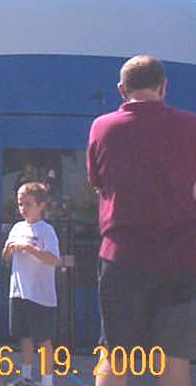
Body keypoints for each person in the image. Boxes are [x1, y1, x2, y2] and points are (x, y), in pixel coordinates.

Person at [87, 54, 196, 386]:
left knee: (114, 353)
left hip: (123, 255)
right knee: (174, 355)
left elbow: (97, 183)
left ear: (122, 89)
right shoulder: (190, 126)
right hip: (181, 255)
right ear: (164, 86)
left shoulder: (103, 127)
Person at [2, 182, 60, 386]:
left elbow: (53, 259)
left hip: (40, 295)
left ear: (41, 205)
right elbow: (6, 257)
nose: (23, 208)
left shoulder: (46, 231)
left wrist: (29, 248)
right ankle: (25, 377)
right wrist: (9, 249)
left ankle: (47, 381)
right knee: (24, 336)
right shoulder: (17, 228)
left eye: (28, 204)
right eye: (20, 204)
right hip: (19, 292)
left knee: (43, 339)